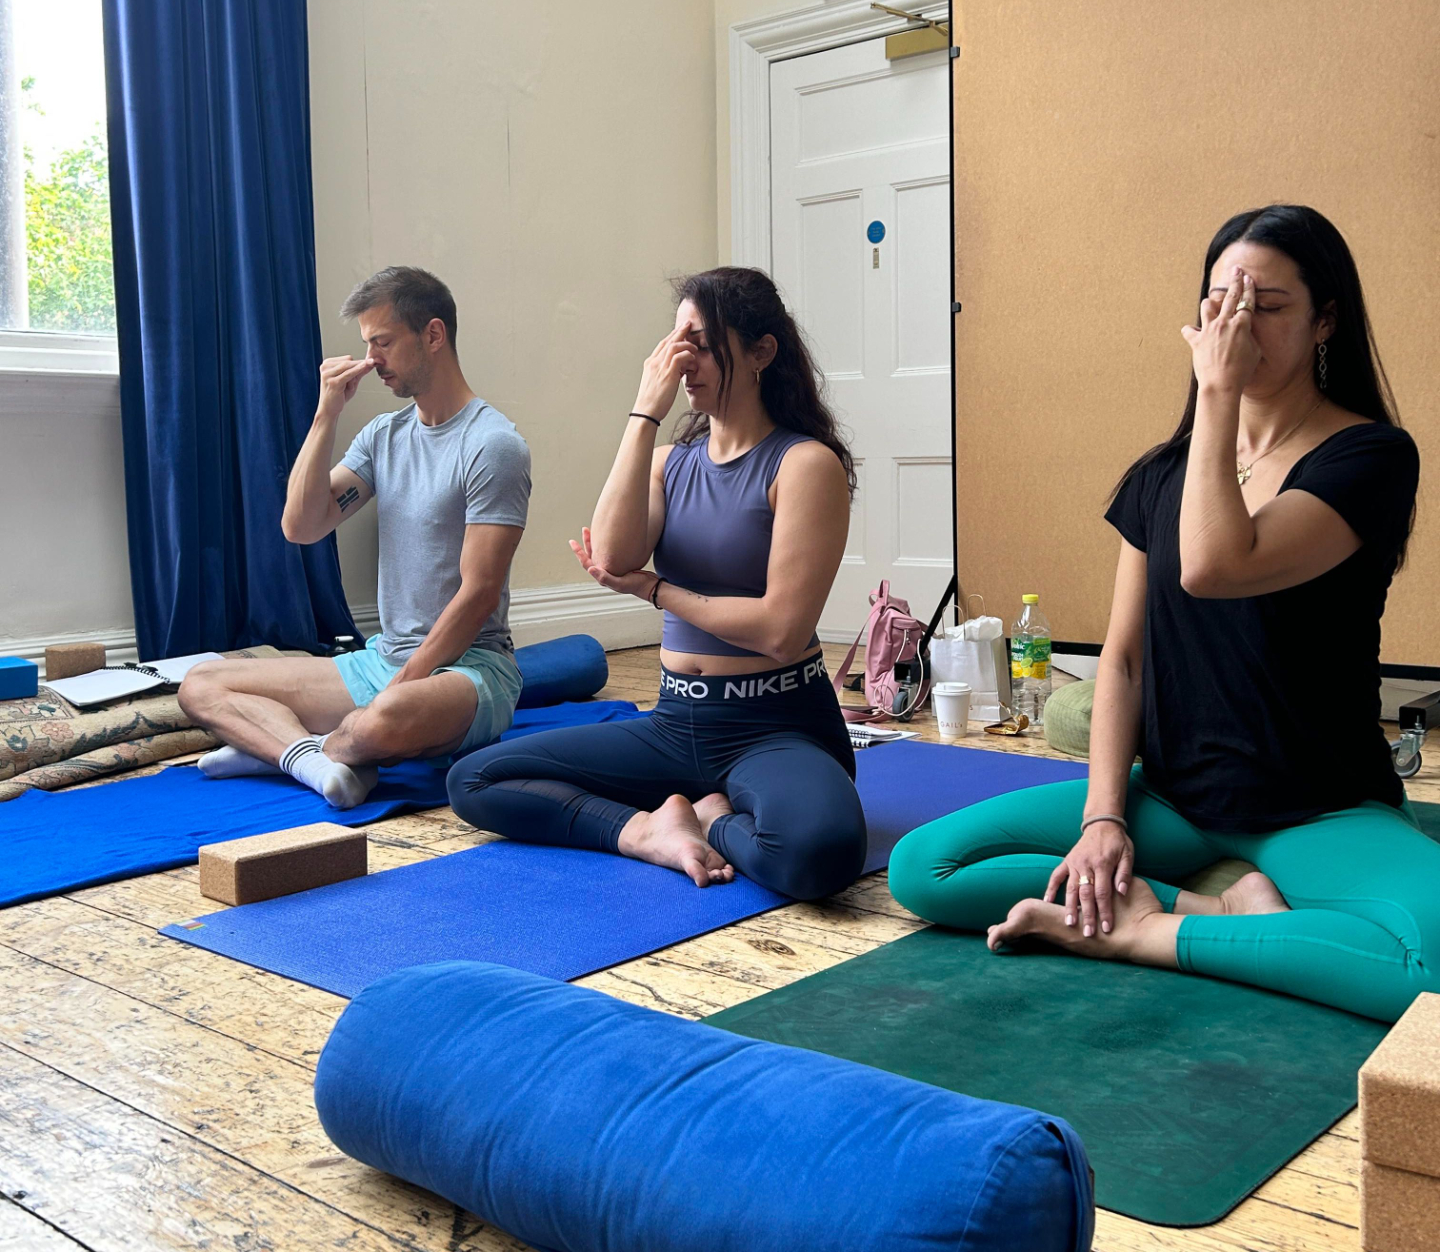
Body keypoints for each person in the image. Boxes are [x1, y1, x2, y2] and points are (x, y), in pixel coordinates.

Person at [889, 205, 1437, 1023]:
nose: (1236, 326)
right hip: (1178, 796)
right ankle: (1218, 909)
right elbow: (1123, 661)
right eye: (1220, 303)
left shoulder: (1370, 457)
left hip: (1320, 803)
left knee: (1429, 961)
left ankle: (1146, 931)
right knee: (925, 867)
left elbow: (1217, 564)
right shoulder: (1161, 475)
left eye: (1266, 306)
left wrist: (1217, 391)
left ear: (1326, 320)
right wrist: (1103, 818)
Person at [447, 267, 865, 899]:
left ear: (761, 352)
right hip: (676, 721)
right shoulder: (671, 464)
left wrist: (654, 591)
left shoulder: (805, 464)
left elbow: (781, 632)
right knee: (474, 780)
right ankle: (647, 831)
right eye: (675, 342)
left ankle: (714, 817)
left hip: (776, 725)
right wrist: (645, 412)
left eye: (701, 343)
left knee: (820, 856)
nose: (681, 361)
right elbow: (614, 555)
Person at [178, 266, 531, 809]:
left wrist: (401, 686)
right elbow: (301, 526)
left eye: (382, 342)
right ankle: (319, 761)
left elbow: (479, 593)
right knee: (201, 684)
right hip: (380, 661)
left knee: (385, 717)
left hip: (471, 668)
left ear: (433, 335)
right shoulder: (384, 435)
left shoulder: (492, 445)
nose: (371, 360)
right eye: (367, 344)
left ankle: (288, 748)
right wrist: (327, 414)